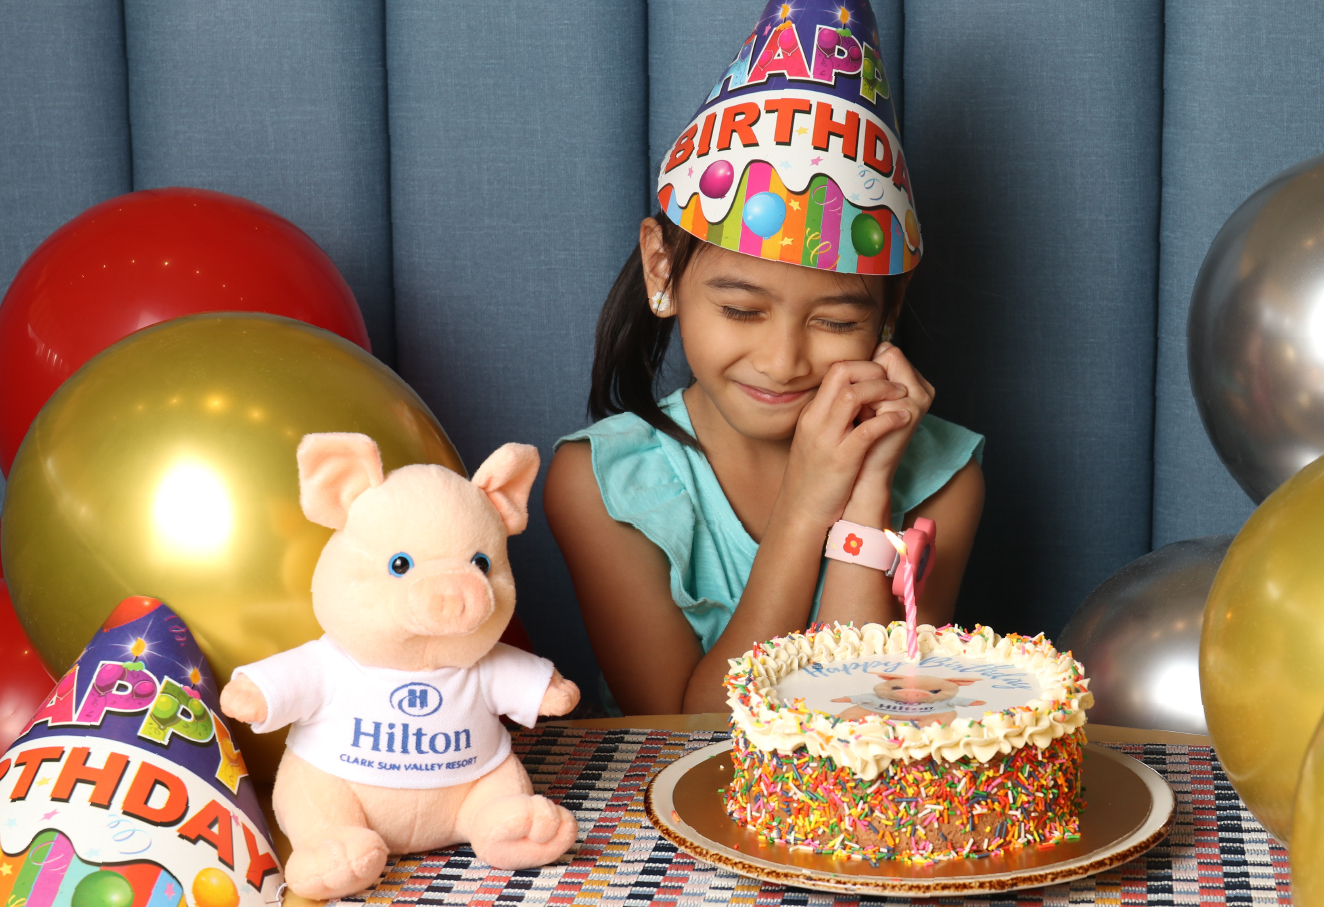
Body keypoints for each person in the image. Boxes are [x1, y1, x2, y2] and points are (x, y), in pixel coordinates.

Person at [544, 0, 984, 716]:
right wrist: (808, 501)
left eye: (836, 319)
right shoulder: (598, 485)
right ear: (662, 271)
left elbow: (862, 720)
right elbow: (690, 737)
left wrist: (867, 488)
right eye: (741, 309)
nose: (782, 362)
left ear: (888, 313)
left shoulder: (943, 483)